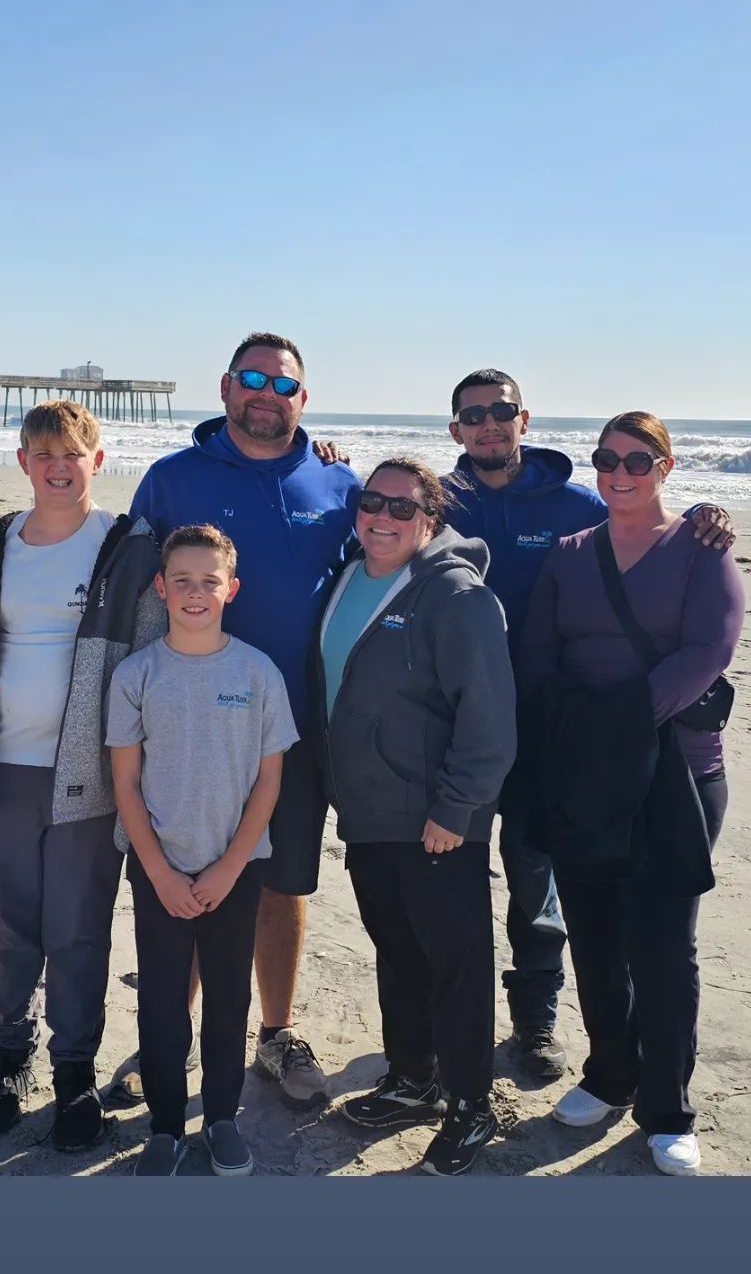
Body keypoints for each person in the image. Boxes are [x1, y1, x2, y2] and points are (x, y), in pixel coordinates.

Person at [442, 367, 734, 1082]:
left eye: (500, 411)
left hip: (567, 734)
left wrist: (706, 510)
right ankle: (448, 1022)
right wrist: (327, 459)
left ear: (524, 419)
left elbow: (641, 520)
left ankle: (537, 1022)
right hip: (462, 723)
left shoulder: (577, 503)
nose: (488, 423)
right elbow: (371, 522)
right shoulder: (436, 501)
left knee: (537, 876)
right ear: (455, 430)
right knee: (447, 873)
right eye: (472, 415)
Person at [130, 333, 358, 1105]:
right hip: (185, 724)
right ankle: (175, 1030)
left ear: (304, 397)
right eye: (253, 379)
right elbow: (131, 596)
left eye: (284, 384)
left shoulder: (339, 481)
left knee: (279, 884)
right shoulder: (171, 479)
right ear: (226, 388)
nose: (268, 393)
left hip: (295, 724)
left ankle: (276, 1034)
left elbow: (408, 543)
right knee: (188, 874)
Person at [517, 412, 744, 1176]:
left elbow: (709, 650)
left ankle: (667, 1107)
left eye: (638, 461)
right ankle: (609, 1073)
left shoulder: (702, 547)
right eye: (606, 458)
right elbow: (540, 652)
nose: (620, 472)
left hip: (674, 773)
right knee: (595, 938)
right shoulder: (570, 553)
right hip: (583, 771)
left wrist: (619, 725)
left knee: (662, 945)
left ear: (667, 467)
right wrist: (581, 733)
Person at [0, 400, 162, 1150]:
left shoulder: (129, 549)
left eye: (72, 452)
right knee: (12, 926)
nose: (57, 465)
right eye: (42, 452)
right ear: (21, 462)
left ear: (97, 461)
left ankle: (74, 1069)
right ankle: (10, 1055)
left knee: (78, 933)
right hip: (1, 770)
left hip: (89, 778)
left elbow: (151, 666)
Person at [312, 459, 518, 1176]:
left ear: (430, 518)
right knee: (398, 954)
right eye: (372, 502)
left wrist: (456, 810)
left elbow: (489, 722)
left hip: (434, 821)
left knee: (454, 966)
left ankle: (470, 1106)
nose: (384, 517)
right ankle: (413, 1080)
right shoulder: (347, 577)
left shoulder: (455, 595)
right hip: (368, 814)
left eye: (403, 508)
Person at [108, 525, 297, 1177]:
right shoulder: (137, 674)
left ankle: (220, 1118)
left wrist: (229, 865)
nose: (195, 593)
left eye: (208, 581)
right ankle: (164, 1125)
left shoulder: (257, 671)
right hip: (158, 868)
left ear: (231, 589)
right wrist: (158, 869)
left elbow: (270, 780)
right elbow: (125, 781)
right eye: (181, 581)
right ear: (160, 588)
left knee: (227, 998)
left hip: (236, 869)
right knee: (162, 999)